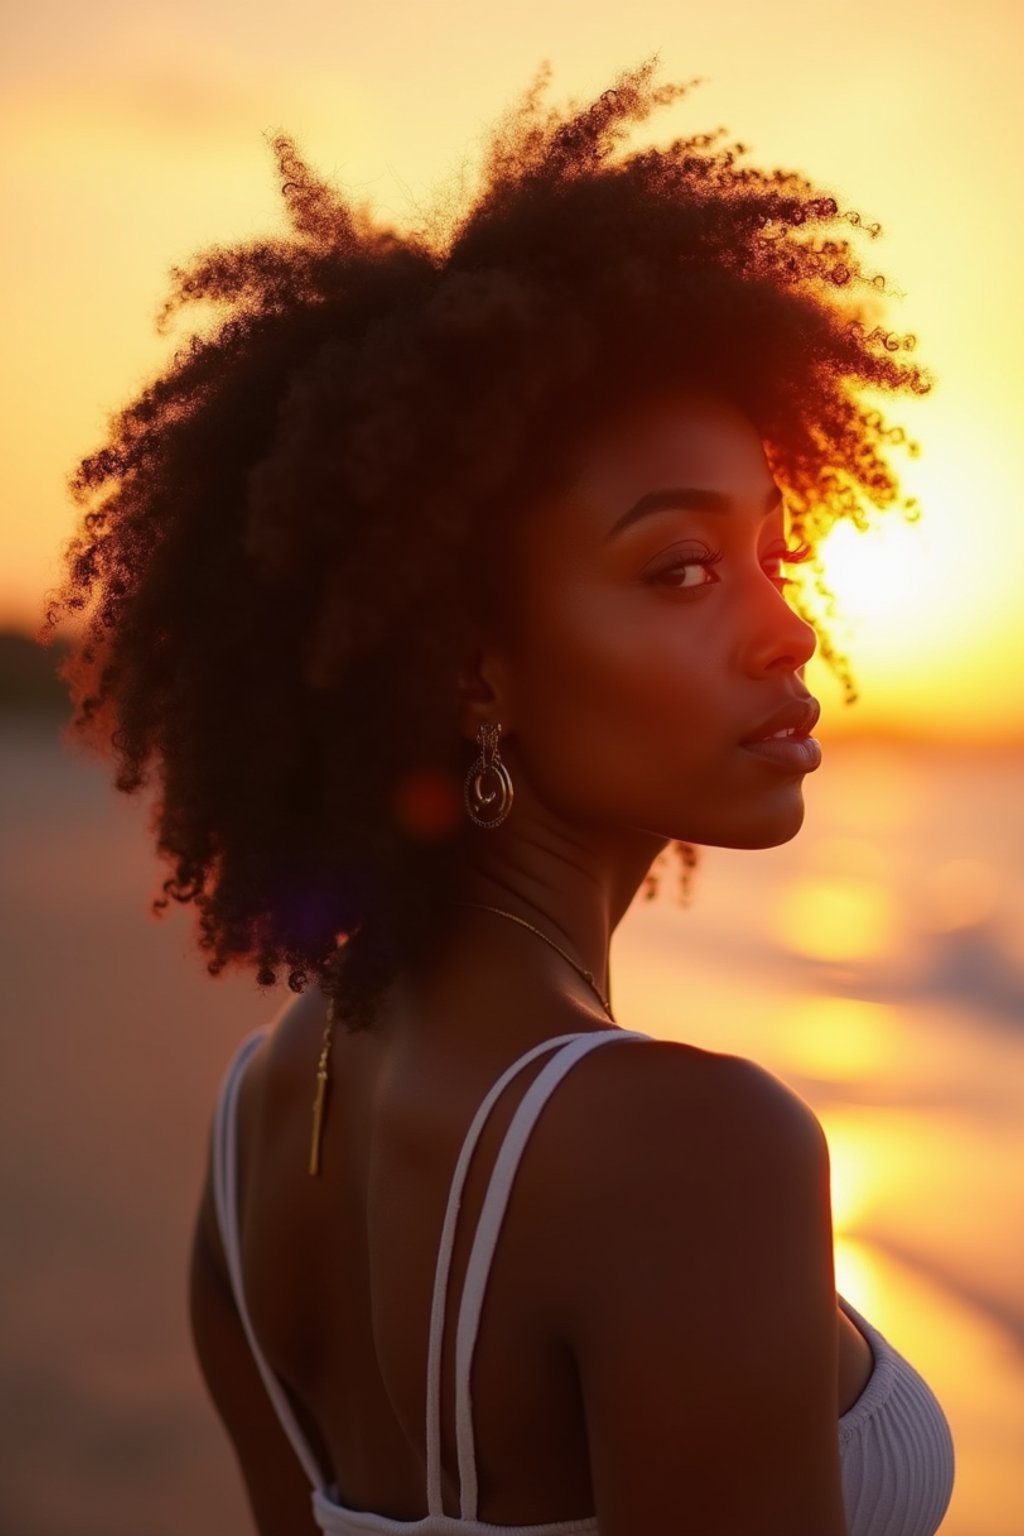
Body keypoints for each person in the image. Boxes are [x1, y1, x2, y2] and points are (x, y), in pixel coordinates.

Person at [43, 56, 955, 1536]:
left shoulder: (260, 1117)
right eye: (680, 569)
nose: (788, 628)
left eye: (776, 555)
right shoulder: (693, 1151)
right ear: (473, 673)